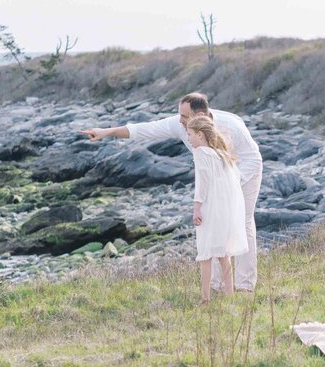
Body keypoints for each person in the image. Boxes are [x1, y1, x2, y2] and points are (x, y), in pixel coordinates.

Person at [81, 91, 263, 291]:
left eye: (185, 116)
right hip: (215, 179)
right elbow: (145, 129)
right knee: (215, 226)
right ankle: (218, 286)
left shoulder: (231, 126)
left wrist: (229, 181)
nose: (180, 121)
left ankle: (245, 286)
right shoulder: (180, 125)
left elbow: (253, 159)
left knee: (242, 222)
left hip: (245, 173)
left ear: (200, 115)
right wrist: (106, 131)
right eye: (180, 115)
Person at [187, 115, 247, 301]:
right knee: (223, 252)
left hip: (209, 207)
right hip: (223, 208)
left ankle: (205, 299)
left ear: (199, 135)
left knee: (205, 253)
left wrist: (197, 207)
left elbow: (202, 183)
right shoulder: (220, 154)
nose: (188, 138)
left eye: (189, 134)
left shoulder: (201, 153)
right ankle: (230, 295)